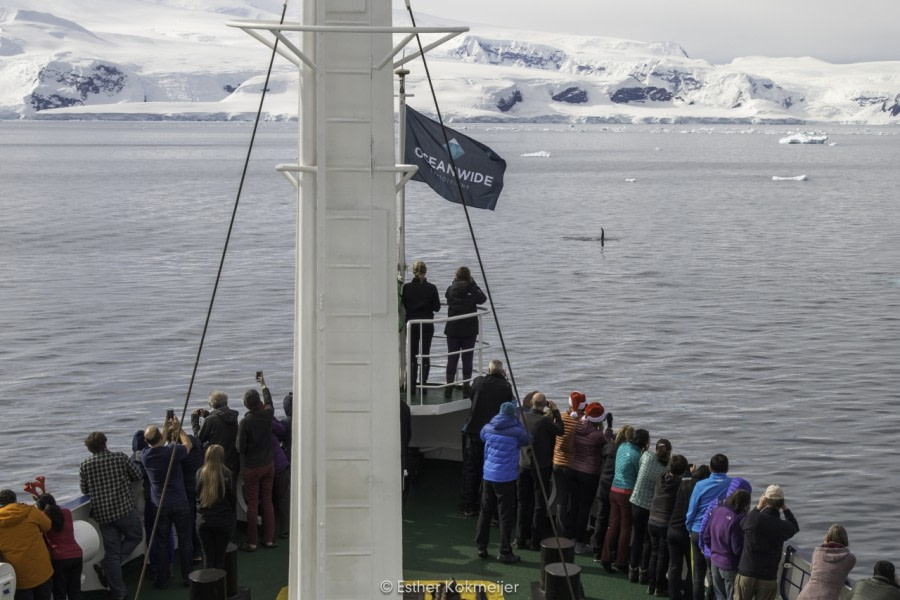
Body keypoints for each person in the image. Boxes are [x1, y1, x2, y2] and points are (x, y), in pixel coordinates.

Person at [79, 431, 144, 600]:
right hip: (124, 510)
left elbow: (84, 490)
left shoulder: (85, 465)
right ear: (105, 443)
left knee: (112, 554)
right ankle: (108, 566)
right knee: (136, 536)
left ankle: (119, 593)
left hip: (103, 516)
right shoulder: (120, 458)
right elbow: (138, 475)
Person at [140, 419, 195, 588]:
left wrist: (165, 427)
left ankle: (163, 579)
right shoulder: (172, 452)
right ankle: (187, 577)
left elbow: (159, 442)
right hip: (179, 502)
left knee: (162, 542)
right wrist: (179, 430)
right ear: (160, 437)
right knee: (185, 539)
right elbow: (188, 445)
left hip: (160, 505)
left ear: (146, 441)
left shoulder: (145, 455)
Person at [475, 401, 530, 564]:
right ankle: (505, 551)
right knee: (505, 515)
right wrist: (519, 422)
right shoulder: (516, 431)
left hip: (488, 475)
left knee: (485, 510)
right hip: (506, 478)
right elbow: (528, 439)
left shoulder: (487, 428)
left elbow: (482, 437)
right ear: (513, 415)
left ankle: (481, 546)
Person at [459, 359, 511, 516]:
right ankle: (486, 507)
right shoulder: (505, 387)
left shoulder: (478, 382)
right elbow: (507, 407)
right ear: (501, 371)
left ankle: (468, 506)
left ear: (488, 369)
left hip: (473, 430)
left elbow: (470, 395)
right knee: (488, 470)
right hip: (493, 434)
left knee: (470, 468)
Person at [734, 485, 799, 600]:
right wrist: (785, 509)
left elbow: (742, 524)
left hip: (747, 572)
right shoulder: (783, 526)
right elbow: (794, 526)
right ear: (781, 503)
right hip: (768, 577)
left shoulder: (754, 519)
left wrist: (758, 507)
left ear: (764, 500)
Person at [516, 392, 564, 550]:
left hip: (523, 464)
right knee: (539, 504)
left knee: (523, 503)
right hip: (540, 467)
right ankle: (536, 541)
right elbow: (560, 430)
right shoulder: (544, 420)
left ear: (530, 402)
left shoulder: (522, 417)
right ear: (544, 405)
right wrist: (555, 411)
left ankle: (521, 538)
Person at [600, 427, 650, 574]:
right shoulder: (637, 455)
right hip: (626, 493)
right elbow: (638, 474)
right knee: (626, 528)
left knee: (613, 525)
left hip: (614, 489)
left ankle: (606, 557)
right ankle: (621, 561)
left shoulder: (622, 446)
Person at [236, 372, 276, 551]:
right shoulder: (268, 415)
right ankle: (269, 539)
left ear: (245, 405)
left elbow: (240, 448)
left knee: (252, 503)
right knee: (267, 501)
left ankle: (252, 542)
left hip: (252, 467)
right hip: (268, 464)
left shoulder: (245, 422)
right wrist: (264, 385)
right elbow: (269, 401)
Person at [686, 454, 732, 600]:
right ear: (727, 469)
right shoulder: (732, 485)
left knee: (698, 575)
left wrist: (689, 527)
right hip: (719, 534)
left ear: (710, 468)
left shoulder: (700, 485)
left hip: (698, 530)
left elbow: (692, 510)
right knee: (715, 575)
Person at [630, 438, 673, 584]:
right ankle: (644, 573)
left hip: (636, 501)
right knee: (647, 542)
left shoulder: (646, 456)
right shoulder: (667, 468)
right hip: (650, 508)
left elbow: (641, 467)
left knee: (637, 537)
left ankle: (632, 571)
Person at [647, 454, 689, 597]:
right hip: (664, 523)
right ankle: (660, 586)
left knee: (654, 553)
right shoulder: (679, 484)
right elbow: (685, 481)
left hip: (652, 519)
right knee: (663, 556)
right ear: (683, 471)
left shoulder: (660, 477)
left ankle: (651, 585)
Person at [569, 402, 608, 554]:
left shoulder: (576, 426)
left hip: (573, 469)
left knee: (573, 506)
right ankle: (579, 543)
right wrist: (607, 430)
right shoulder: (598, 436)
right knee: (584, 509)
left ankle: (569, 538)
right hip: (588, 474)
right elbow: (608, 444)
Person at [667, 464, 711, 600]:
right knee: (694, 568)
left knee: (674, 565)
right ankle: (687, 594)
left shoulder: (684, 484)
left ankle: (673, 595)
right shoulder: (700, 489)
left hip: (672, 527)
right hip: (685, 532)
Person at [591, 424, 634, 561]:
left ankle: (597, 550)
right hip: (617, 488)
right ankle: (613, 552)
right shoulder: (626, 452)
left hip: (603, 484)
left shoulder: (609, 447)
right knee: (616, 523)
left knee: (601, 517)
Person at [0, 489, 53, 600]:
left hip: (19, 576)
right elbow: (47, 526)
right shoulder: (30, 511)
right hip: (41, 570)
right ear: (15, 500)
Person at [702, 484, 752, 600]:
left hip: (715, 561)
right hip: (729, 565)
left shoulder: (716, 511)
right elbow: (737, 549)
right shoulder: (736, 519)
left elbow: (706, 537)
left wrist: (715, 550)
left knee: (720, 595)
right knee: (730, 596)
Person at [443, 266, 487, 398]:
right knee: (467, 358)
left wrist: (453, 283)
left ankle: (448, 388)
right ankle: (466, 388)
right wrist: (473, 283)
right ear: (469, 276)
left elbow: (447, 297)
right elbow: (483, 298)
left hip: (452, 330)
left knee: (452, 358)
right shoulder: (472, 289)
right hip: (469, 330)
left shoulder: (451, 289)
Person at [401, 260, 441, 394]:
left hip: (411, 323)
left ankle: (411, 386)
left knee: (412, 355)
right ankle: (423, 385)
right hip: (427, 323)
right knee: (425, 354)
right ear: (425, 271)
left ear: (413, 271)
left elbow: (404, 304)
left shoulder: (406, 288)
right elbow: (437, 307)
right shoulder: (431, 288)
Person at [552, 391, 587, 541]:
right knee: (574, 501)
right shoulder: (581, 423)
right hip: (572, 466)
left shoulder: (559, 417)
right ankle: (571, 533)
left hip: (557, 463)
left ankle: (560, 532)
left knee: (561, 499)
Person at [195, 444, 237, 570]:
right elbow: (232, 499)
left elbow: (197, 495)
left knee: (208, 556)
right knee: (220, 558)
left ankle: (209, 587)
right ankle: (220, 588)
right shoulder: (227, 474)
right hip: (222, 522)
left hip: (204, 522)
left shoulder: (199, 474)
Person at [36, 493, 83, 600]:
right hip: (76, 555)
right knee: (75, 592)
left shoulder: (43, 518)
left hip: (59, 558)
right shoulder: (66, 512)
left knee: (59, 593)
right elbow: (52, 509)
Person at [191, 390, 240, 481]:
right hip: (233, 460)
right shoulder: (233, 416)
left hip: (218, 460)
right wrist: (207, 414)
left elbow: (198, 439)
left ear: (212, 405)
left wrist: (194, 420)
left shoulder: (210, 420)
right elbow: (222, 422)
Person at [797, 524, 856, 600]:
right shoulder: (850, 558)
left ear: (827, 536)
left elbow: (812, 570)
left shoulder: (817, 552)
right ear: (845, 538)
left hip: (806, 595)